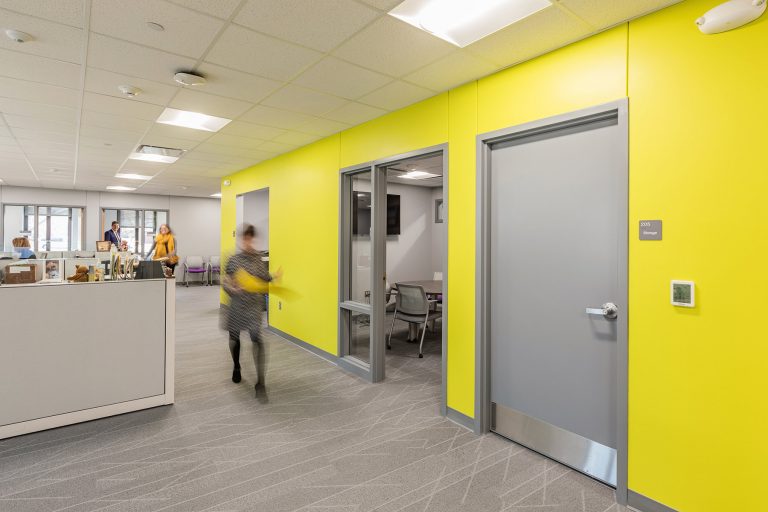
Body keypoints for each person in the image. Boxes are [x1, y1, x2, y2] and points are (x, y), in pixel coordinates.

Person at [222, 224, 281, 401]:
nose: (248, 242)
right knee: (234, 337)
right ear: (241, 240)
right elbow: (226, 283)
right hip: (237, 305)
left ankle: (260, 382)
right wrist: (233, 289)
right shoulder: (233, 260)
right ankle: (236, 366)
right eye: (245, 238)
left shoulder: (258, 258)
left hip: (254, 306)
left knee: (258, 339)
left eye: (251, 238)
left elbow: (264, 277)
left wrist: (274, 277)